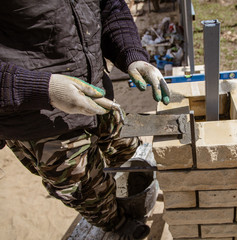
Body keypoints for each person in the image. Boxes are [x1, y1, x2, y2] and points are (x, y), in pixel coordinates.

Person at [0, 0, 170, 239]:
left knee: (127, 152)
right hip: (39, 121)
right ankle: (117, 222)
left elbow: (110, 9)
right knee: (87, 191)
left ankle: (131, 198)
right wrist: (44, 89)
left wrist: (132, 55)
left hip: (96, 95)